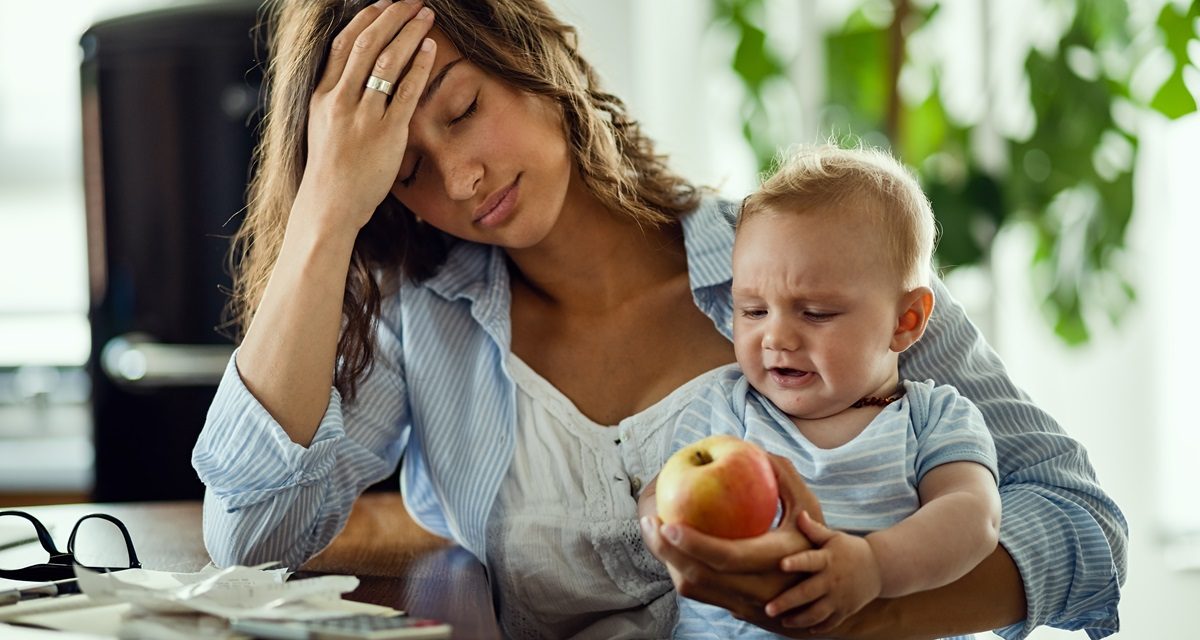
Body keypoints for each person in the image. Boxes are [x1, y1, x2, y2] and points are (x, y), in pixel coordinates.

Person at [191, 0, 1127, 638]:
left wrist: (847, 599)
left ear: (536, 56)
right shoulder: (425, 325)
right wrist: (321, 215)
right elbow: (251, 535)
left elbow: (1081, 525)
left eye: (464, 110)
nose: (460, 179)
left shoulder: (814, 274)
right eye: (402, 171)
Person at [641, 145, 1002, 639]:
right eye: (752, 311)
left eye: (815, 313)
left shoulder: (933, 418)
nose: (777, 338)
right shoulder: (723, 406)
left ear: (905, 320)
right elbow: (660, 491)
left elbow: (974, 517)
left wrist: (875, 566)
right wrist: (665, 532)